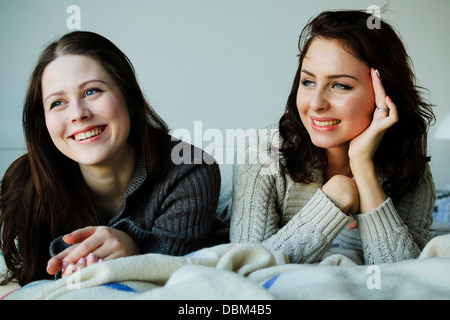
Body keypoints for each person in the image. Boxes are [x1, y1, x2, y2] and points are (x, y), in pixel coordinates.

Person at [0, 31, 221, 286]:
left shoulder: (190, 169)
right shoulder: (23, 185)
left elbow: (177, 268)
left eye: (92, 91)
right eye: (57, 103)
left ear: (128, 96)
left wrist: (133, 249)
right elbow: (34, 273)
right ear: (44, 122)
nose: (78, 114)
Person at [230, 10, 436, 265]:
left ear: (384, 93)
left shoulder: (409, 169)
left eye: (340, 85)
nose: (316, 103)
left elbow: (404, 275)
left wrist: (362, 167)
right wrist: (336, 197)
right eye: (308, 82)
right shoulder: (261, 153)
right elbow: (244, 266)